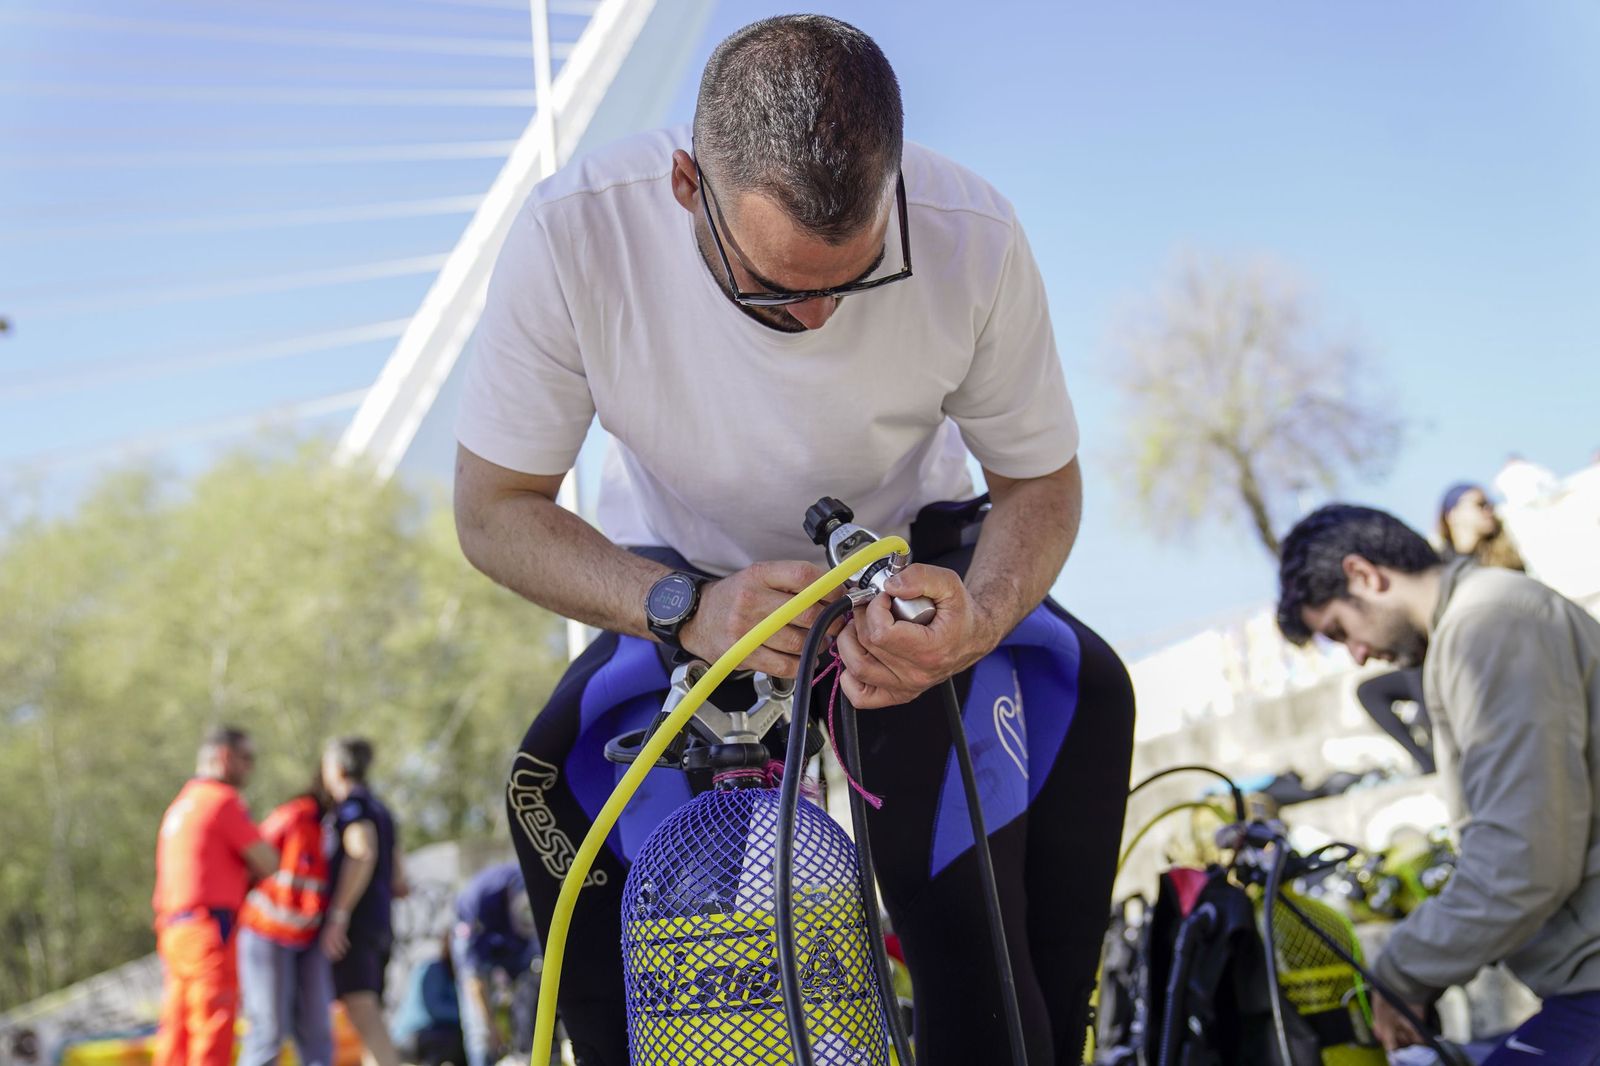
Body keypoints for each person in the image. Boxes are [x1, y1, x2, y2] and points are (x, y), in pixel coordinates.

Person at [452, 15, 1136, 1065]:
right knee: (553, 796)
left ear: (895, 184)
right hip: (676, 578)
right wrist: (676, 610)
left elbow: (1040, 480)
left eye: (851, 280)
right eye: (772, 290)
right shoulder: (574, 237)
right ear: (688, 185)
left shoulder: (972, 231)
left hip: (907, 561)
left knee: (983, 939)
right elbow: (493, 507)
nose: (817, 318)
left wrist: (980, 618)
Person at [1276, 503, 1600, 1062]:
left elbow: (1522, 863)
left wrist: (1400, 971)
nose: (1356, 656)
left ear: (1364, 575)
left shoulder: (1489, 623)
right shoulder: (1474, 625)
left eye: (1340, 630)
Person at [153, 726, 279, 1066]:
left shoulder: (181, 804)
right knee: (213, 1027)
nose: (250, 768)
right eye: (246, 758)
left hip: (174, 930)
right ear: (224, 756)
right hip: (209, 930)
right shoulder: (221, 801)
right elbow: (267, 862)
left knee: (176, 1033)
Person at [237, 773, 335, 1066]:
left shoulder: (337, 829)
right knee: (268, 1032)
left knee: (318, 1033)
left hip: (308, 937)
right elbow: (253, 858)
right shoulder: (294, 816)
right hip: (267, 932)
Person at [321, 738, 406, 1066]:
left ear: (338, 768)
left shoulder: (352, 806)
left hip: (357, 924)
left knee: (362, 1010)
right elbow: (400, 878)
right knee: (369, 1011)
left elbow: (362, 851)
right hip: (380, 921)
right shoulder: (380, 808)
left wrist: (339, 915)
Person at [450, 864, 539, 1066]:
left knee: (527, 994)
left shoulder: (528, 882)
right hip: (475, 928)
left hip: (512, 942)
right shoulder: (476, 902)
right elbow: (474, 980)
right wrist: (491, 1027)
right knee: (478, 1029)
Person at [391, 931, 465, 1066]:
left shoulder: (458, 976)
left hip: (436, 1035)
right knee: (456, 1041)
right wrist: (468, 1015)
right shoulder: (434, 969)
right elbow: (435, 1009)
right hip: (414, 1035)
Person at [1435, 482, 1525, 571]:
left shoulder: (1508, 558)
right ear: (1452, 515)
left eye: (1490, 505)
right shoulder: (1438, 564)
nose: (1489, 510)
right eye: (1480, 504)